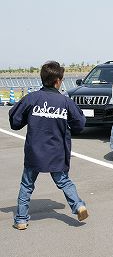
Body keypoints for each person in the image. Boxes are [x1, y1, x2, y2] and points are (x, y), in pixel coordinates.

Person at [9, 61, 88, 230]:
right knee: (64, 181)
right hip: (57, 152)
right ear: (58, 81)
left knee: (27, 184)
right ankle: (78, 205)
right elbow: (80, 123)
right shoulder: (65, 102)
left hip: (34, 152)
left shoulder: (31, 98)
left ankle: (21, 219)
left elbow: (15, 121)